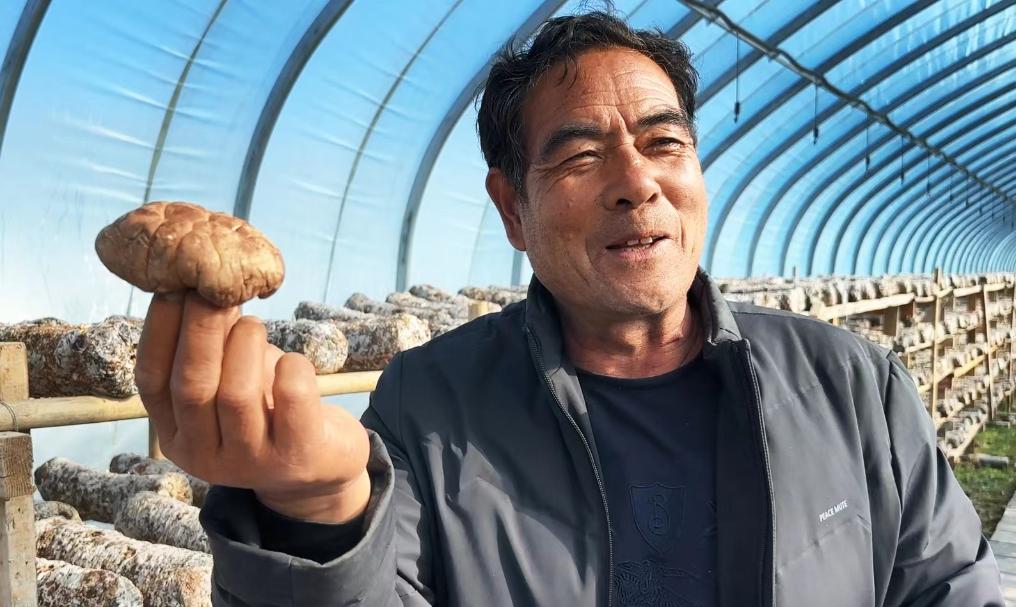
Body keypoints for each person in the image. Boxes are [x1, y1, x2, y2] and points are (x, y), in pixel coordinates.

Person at [134, 11, 1004, 606]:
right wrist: (319, 516)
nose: (637, 182)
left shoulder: (849, 385)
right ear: (512, 208)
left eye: (665, 142)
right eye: (582, 156)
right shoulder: (431, 407)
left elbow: (945, 586)